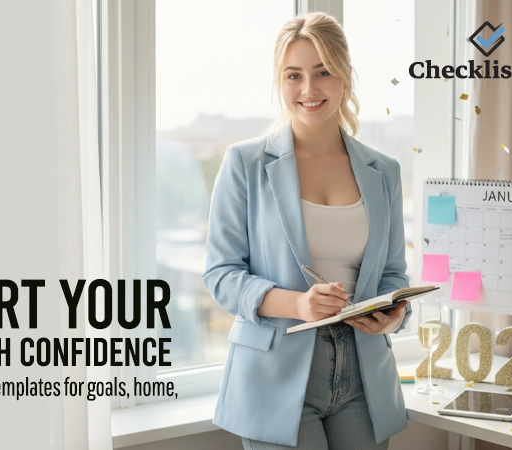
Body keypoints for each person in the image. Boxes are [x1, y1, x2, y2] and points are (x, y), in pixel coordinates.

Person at [202, 12, 411, 449]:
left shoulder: (384, 172)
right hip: (276, 374)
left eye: (322, 73)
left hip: (364, 375)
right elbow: (221, 274)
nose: (308, 90)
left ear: (345, 76)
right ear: (279, 82)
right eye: (293, 75)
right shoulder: (244, 164)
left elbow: (392, 274)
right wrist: (299, 303)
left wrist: (395, 313)